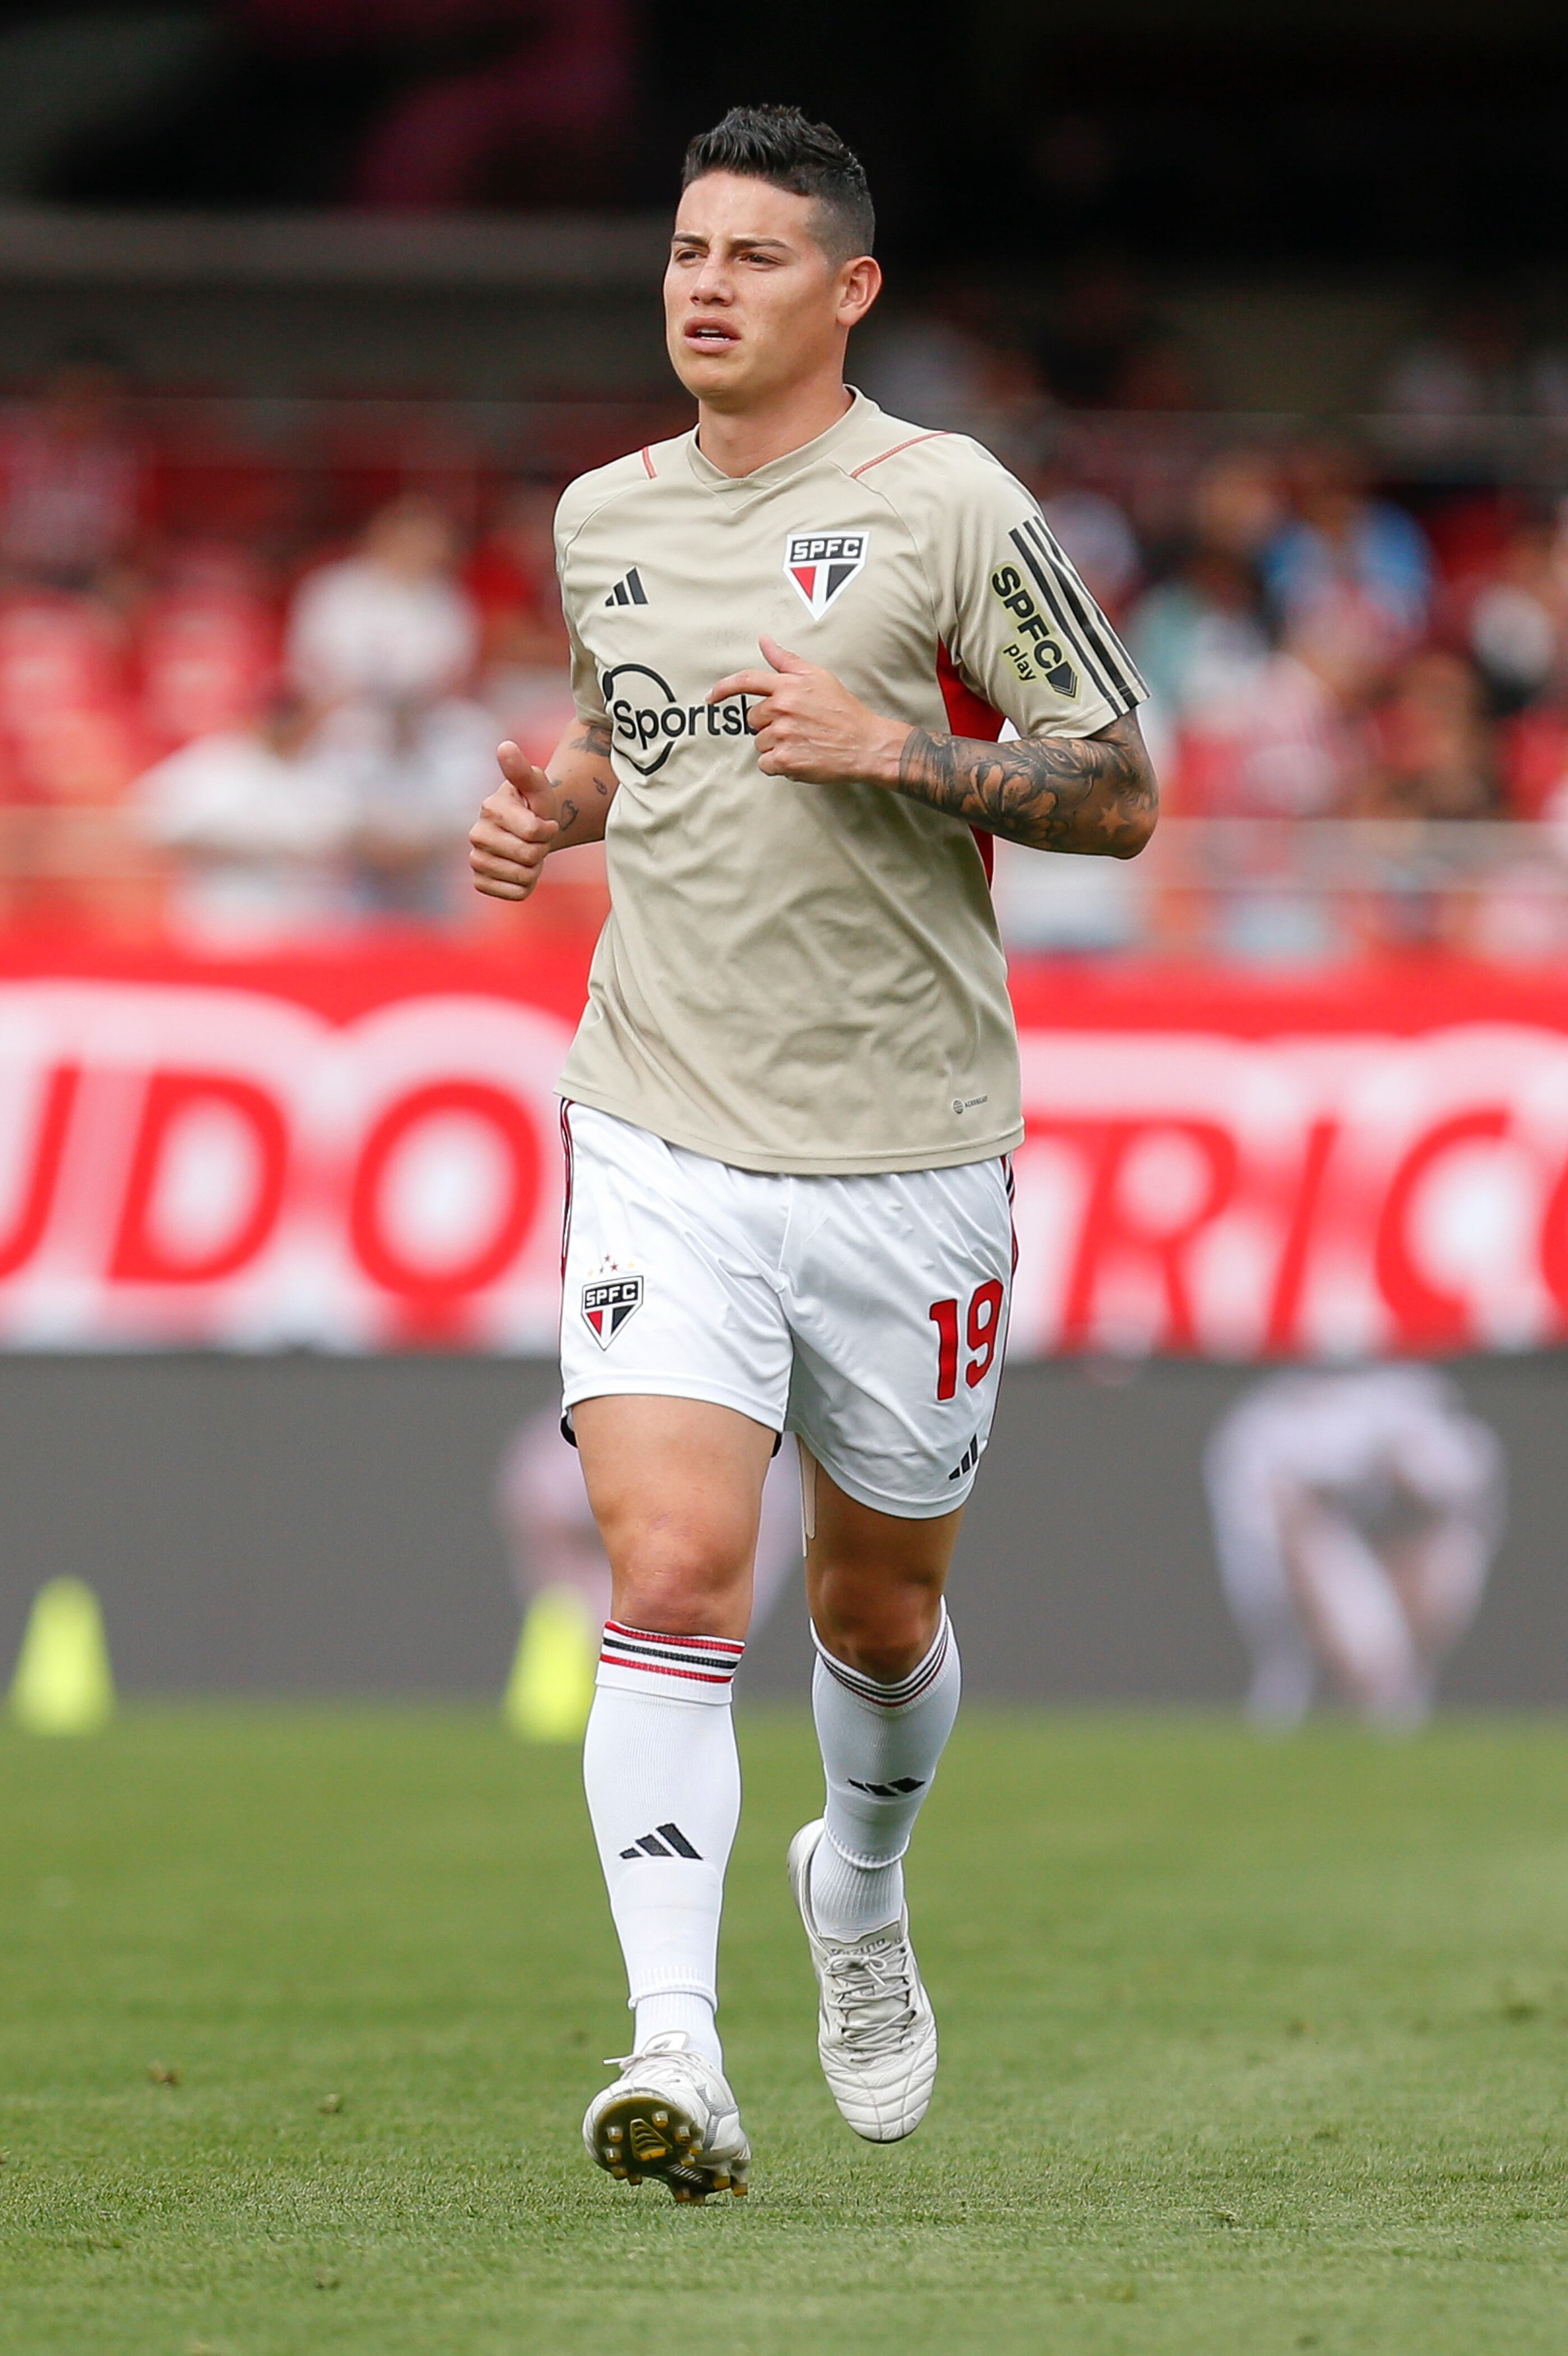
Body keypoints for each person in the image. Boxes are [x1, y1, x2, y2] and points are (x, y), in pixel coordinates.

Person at [468, 104, 1156, 2203]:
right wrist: (557, 810)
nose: (704, 284)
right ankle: (676, 2039)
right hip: (665, 1120)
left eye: (755, 255)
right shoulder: (606, 516)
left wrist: (909, 750)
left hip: (913, 1147)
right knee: (673, 1569)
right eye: (687, 248)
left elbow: (1118, 787)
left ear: (847, 289)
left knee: (870, 1613)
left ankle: (855, 1887)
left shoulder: (943, 504)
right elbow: (647, 738)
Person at [1204, 1364, 1505, 1731]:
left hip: (1389, 1570)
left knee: (1447, 1559)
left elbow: (1448, 1497)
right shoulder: (1272, 1417)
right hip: (1298, 1561)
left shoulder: (1417, 1400)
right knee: (1335, 1660)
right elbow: (1281, 1516)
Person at [497, 1409, 803, 1741]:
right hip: (591, 1581)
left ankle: (687, 1713)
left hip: (697, 1576)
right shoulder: (577, 1424)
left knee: (694, 1642)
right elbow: (547, 1505)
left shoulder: (754, 1434)